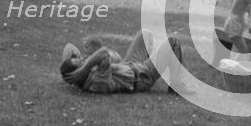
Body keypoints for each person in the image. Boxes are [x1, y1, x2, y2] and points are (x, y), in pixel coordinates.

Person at [60, 29, 190, 94]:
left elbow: (69, 47)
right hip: (141, 76)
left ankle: (156, 61)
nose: (83, 60)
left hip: (128, 65)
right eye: (80, 63)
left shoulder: (85, 75)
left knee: (145, 33)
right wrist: (83, 69)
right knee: (173, 42)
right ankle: (176, 87)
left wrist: (74, 71)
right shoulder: (97, 81)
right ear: (80, 73)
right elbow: (104, 53)